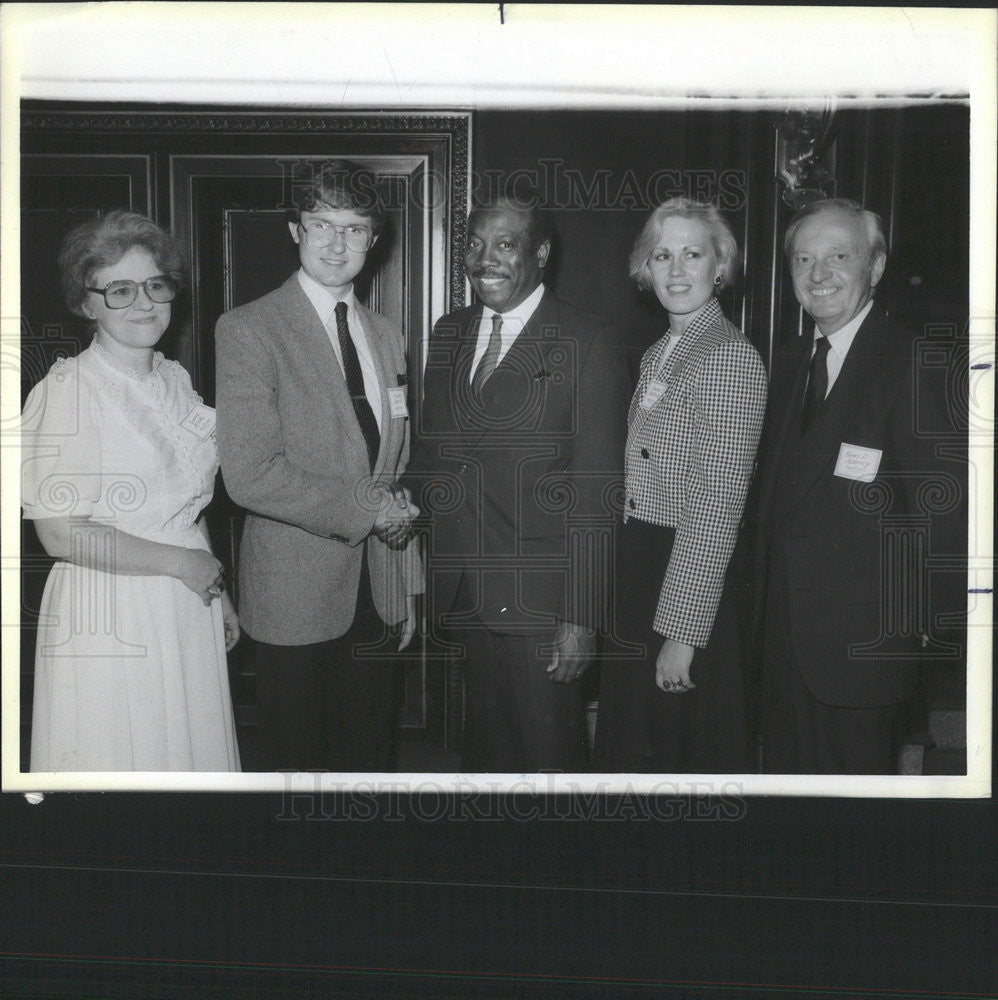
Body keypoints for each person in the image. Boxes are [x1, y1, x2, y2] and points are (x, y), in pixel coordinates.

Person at [405, 189, 630, 773]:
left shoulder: (588, 339)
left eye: (505, 245)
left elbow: (596, 491)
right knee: (486, 757)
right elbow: (435, 455)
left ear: (541, 254)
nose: (486, 260)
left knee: (548, 763)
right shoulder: (449, 332)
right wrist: (397, 500)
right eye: (475, 245)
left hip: (543, 603)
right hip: (465, 591)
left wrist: (580, 616)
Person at [215, 160, 421, 773]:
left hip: (379, 586)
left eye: (355, 229)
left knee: (369, 757)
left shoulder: (387, 335)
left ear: (372, 241)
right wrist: (370, 507)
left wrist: (406, 580)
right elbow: (249, 473)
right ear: (294, 231)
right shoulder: (250, 329)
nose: (337, 243)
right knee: (297, 767)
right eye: (321, 224)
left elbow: (394, 461)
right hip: (294, 592)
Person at [21, 210, 240, 772]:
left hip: (184, 599)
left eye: (155, 285)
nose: (143, 303)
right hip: (111, 612)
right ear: (85, 302)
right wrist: (185, 566)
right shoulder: (69, 390)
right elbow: (60, 533)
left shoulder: (174, 379)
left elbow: (185, 501)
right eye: (119, 290)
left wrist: (215, 585)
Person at [756, 197, 950, 774]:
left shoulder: (917, 363)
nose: (819, 275)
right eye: (803, 259)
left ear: (878, 265)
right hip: (784, 650)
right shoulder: (787, 363)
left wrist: (921, 646)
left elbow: (943, 520)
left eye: (839, 255)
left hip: (865, 656)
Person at [592, 198, 767, 774]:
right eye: (662, 255)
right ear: (645, 268)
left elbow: (716, 508)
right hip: (642, 567)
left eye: (692, 254)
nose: (675, 270)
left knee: (674, 755)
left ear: (720, 266)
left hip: (683, 578)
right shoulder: (660, 354)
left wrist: (682, 633)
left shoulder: (727, 358)